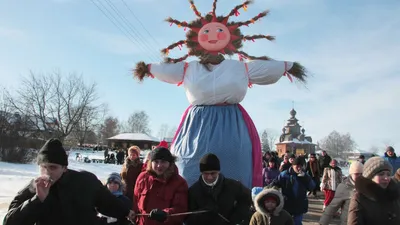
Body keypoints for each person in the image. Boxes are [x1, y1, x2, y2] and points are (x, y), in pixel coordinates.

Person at [133, 0, 308, 189]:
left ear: (230, 37)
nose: (213, 37)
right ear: (197, 37)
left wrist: (287, 67)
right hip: (196, 126)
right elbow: (167, 69)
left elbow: (263, 69)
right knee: (189, 166)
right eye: (207, 32)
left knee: (234, 169)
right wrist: (148, 68)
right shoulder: (190, 68)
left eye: (219, 32)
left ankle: (236, 206)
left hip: (231, 124)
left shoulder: (239, 68)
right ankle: (188, 205)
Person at [3, 138, 135, 225]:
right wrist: (37, 200)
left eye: (53, 167)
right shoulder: (32, 189)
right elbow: (9, 222)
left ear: (64, 168)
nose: (47, 172)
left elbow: (107, 202)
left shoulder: (84, 182)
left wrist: (125, 212)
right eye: (43, 167)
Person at [185, 153, 252, 225]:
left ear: (218, 172)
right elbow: (188, 218)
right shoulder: (193, 191)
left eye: (213, 173)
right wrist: (203, 214)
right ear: (201, 173)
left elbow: (247, 199)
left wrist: (236, 217)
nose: (209, 177)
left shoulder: (233, 186)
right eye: (206, 174)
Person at [133, 147, 188, 225]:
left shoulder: (179, 182)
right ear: (151, 162)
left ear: (170, 163)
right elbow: (136, 202)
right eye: (156, 162)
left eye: (163, 162)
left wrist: (166, 214)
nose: (159, 165)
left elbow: (181, 209)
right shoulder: (142, 177)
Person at [347, 156, 400, 225]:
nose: (386, 178)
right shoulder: (360, 198)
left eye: (388, 174)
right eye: (381, 174)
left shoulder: (394, 194)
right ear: (370, 177)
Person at [269, 157, 315, 225]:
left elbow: (312, 187)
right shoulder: (285, 174)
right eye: (297, 166)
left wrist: (305, 178)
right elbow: (275, 183)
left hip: (300, 203)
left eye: (300, 166)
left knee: (297, 222)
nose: (299, 168)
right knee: (286, 222)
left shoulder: (305, 175)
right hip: (287, 203)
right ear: (293, 166)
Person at [319, 161, 363, 225]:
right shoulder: (344, 187)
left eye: (361, 174)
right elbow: (332, 207)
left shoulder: (367, 186)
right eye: (356, 174)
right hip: (348, 222)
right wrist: (322, 223)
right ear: (351, 173)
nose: (359, 176)